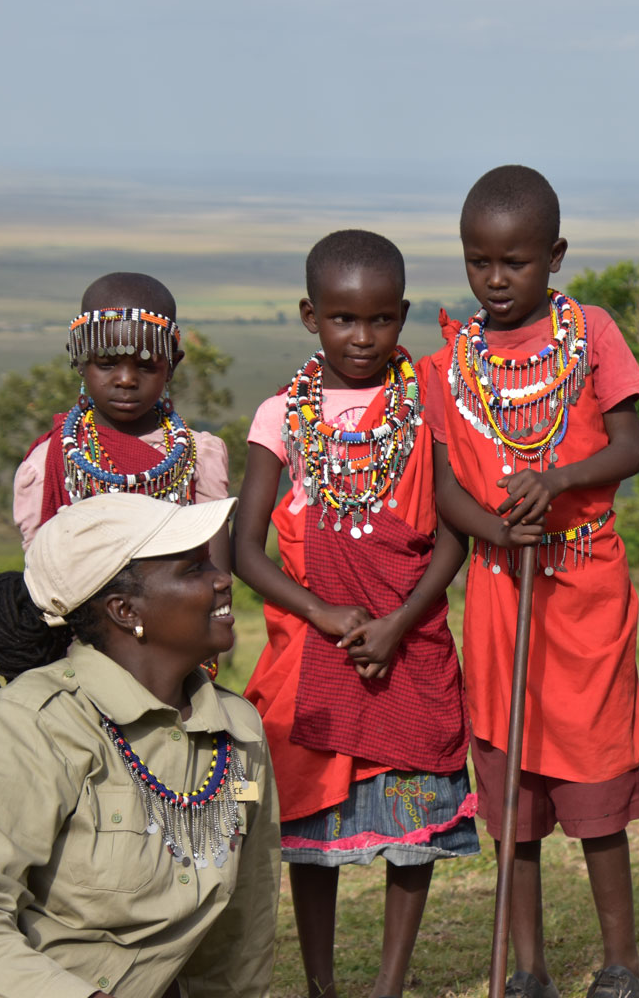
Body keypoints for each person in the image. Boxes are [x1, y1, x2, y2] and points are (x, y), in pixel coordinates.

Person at [0, 492, 280, 998]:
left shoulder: (237, 730)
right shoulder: (22, 728)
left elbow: (242, 922)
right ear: (124, 609)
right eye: (194, 568)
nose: (223, 579)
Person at [421, 165, 639, 998]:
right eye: (478, 261)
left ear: (554, 256)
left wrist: (554, 482)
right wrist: (494, 526)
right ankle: (528, 970)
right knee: (511, 800)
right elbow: (446, 486)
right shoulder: (447, 363)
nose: (494, 279)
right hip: (497, 589)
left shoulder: (591, 334)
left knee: (596, 791)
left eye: (513, 262)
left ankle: (623, 964)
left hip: (584, 585)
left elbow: (629, 446)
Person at [235, 230, 478, 998]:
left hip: (411, 645)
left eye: (379, 320)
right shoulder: (281, 415)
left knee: (413, 834)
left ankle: (390, 984)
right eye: (343, 319)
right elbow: (246, 549)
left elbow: (452, 535)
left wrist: (399, 622)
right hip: (314, 652)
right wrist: (326, 615)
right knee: (313, 831)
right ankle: (319, 983)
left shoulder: (427, 405)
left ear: (401, 315)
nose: (363, 337)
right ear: (311, 316)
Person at [13, 272, 231, 679]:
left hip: (177, 652)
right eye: (107, 363)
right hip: (80, 655)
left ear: (174, 363)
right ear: (78, 359)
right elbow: (43, 574)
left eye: (146, 365)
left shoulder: (199, 455)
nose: (126, 379)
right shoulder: (51, 461)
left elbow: (217, 573)